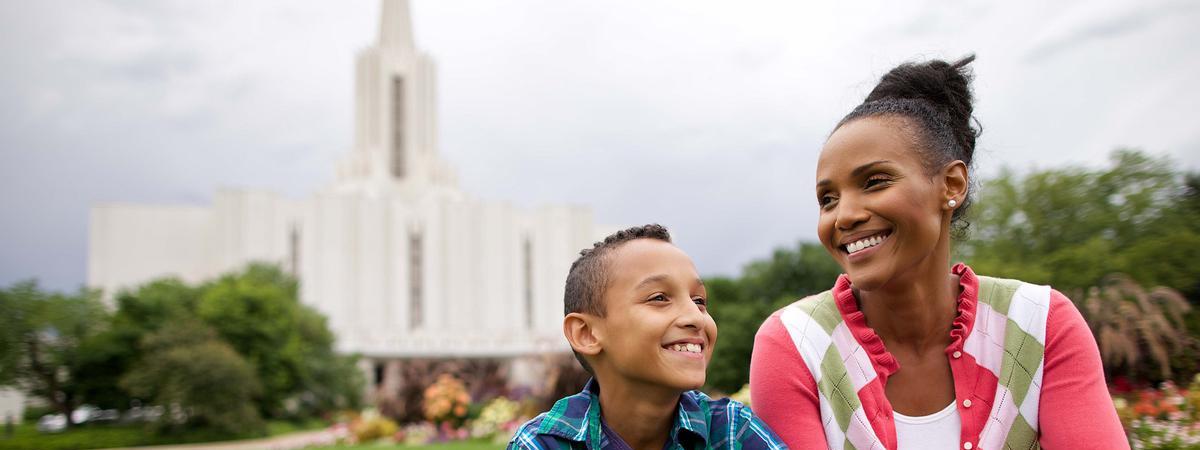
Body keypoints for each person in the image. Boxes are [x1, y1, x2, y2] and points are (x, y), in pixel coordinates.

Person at [749, 55, 1128, 449]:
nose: (844, 216)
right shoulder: (797, 343)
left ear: (951, 184)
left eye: (875, 182)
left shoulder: (1040, 324)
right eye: (828, 199)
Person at [509, 224, 786, 450]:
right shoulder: (542, 444)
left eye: (699, 300)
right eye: (659, 298)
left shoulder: (732, 429)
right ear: (586, 333)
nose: (695, 316)